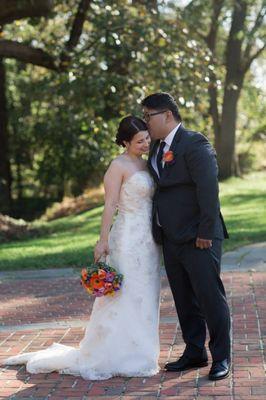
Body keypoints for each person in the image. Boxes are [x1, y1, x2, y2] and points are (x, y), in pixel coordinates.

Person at [4, 116, 161, 380]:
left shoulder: (148, 164)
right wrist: (102, 240)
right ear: (125, 142)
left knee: (146, 293)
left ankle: (142, 352)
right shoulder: (117, 166)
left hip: (149, 241)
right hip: (126, 239)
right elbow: (110, 205)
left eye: (147, 138)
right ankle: (113, 353)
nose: (146, 143)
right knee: (123, 294)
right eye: (139, 141)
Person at [142, 92, 231, 381]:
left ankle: (221, 357)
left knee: (209, 297)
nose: (146, 122)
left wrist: (206, 231)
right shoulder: (156, 147)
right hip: (170, 237)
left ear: (167, 115)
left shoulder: (195, 143)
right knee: (184, 298)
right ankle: (194, 351)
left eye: (148, 116)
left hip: (198, 236)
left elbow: (208, 190)